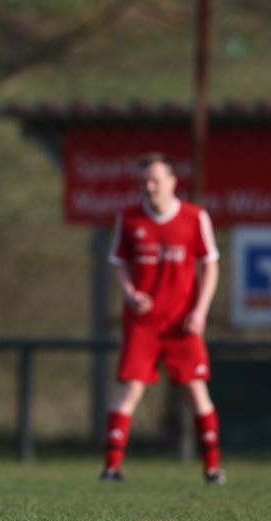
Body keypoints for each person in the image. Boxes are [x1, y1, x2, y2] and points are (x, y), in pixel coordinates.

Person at [102, 153, 223, 484]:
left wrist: (200, 311)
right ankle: (112, 466)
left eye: (156, 180)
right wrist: (129, 293)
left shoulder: (194, 218)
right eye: (144, 181)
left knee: (196, 391)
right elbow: (117, 262)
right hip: (143, 323)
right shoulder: (128, 218)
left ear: (172, 182)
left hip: (182, 323)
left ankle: (212, 467)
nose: (149, 186)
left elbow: (210, 264)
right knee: (130, 391)